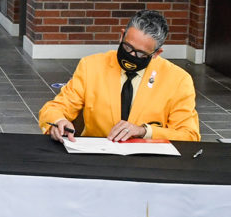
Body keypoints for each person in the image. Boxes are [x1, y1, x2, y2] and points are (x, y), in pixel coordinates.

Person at [39, 9, 200, 142]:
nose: (131, 55)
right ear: (121, 35)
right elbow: (55, 108)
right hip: (97, 157)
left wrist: (144, 131)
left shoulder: (178, 80)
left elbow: (189, 135)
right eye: (127, 47)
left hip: (148, 160)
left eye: (141, 54)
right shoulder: (91, 66)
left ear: (157, 53)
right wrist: (59, 121)